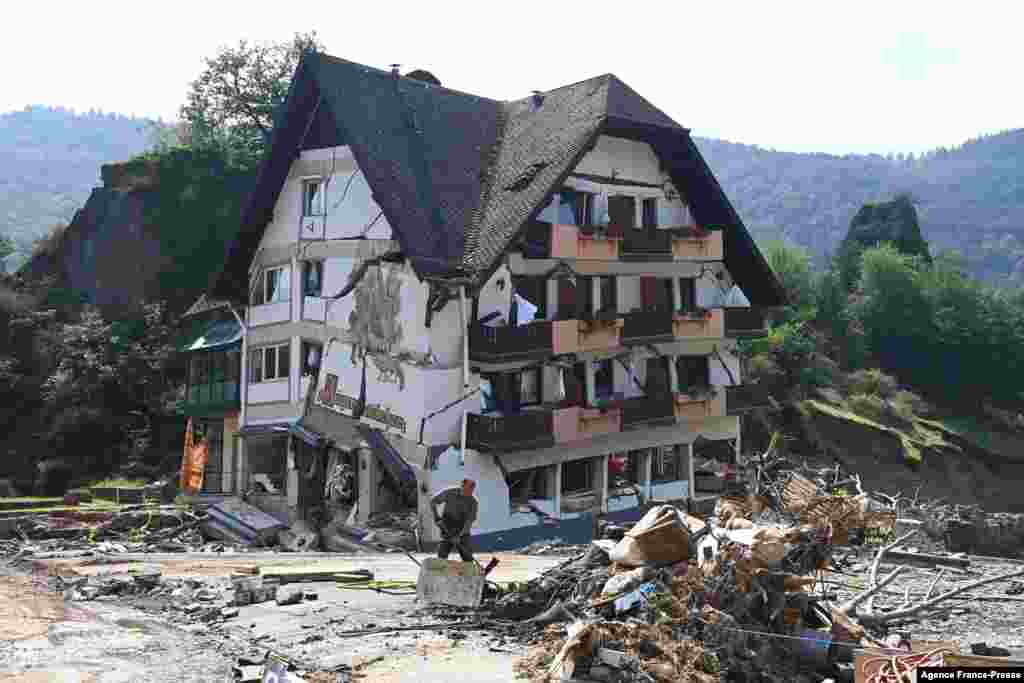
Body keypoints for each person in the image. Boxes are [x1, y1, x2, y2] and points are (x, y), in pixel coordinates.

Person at [430, 478, 478, 562]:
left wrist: (459, 536)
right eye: (468, 489)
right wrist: (436, 516)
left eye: (472, 490)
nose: (470, 492)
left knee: (467, 556)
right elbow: (433, 502)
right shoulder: (450, 493)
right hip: (447, 528)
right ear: (462, 486)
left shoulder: (473, 503)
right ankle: (440, 570)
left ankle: (470, 571)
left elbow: (469, 523)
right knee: (442, 554)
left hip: (462, 531)